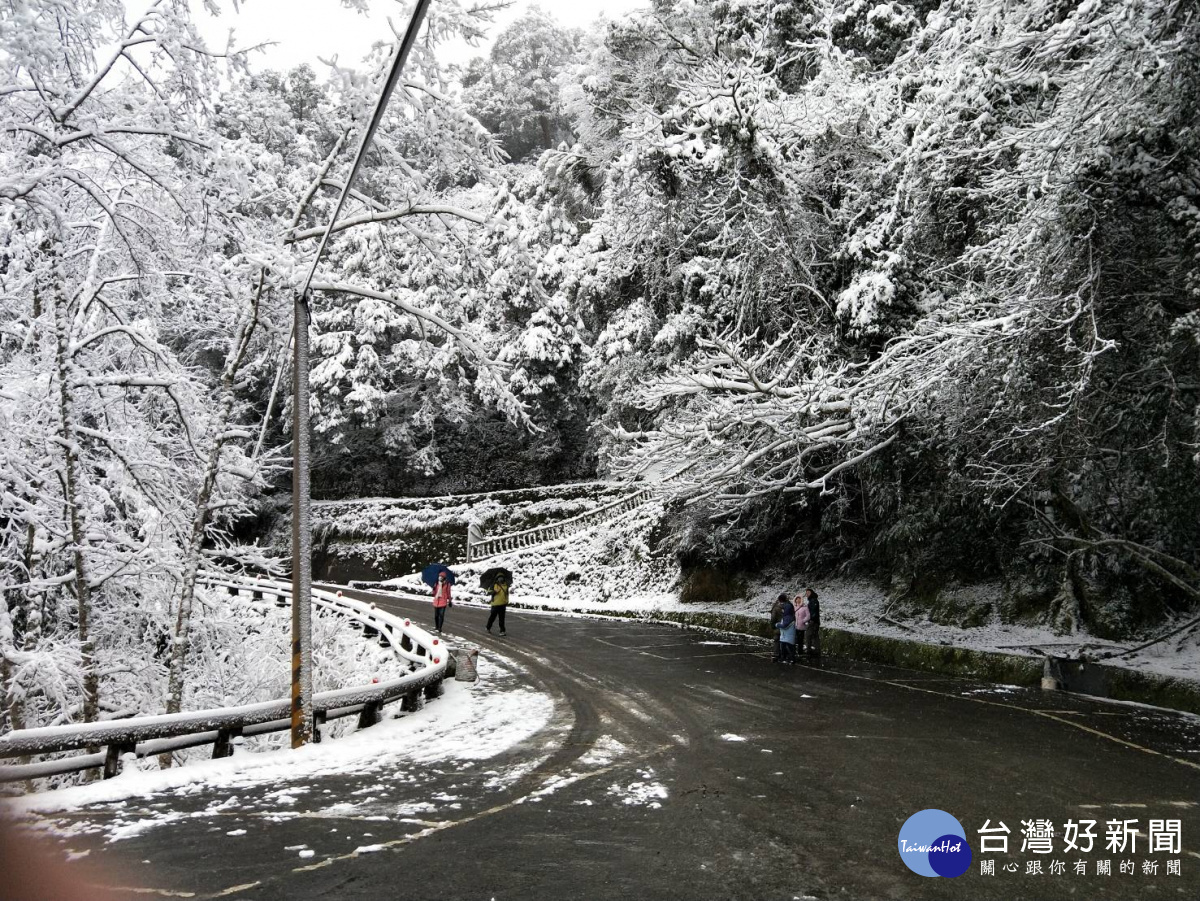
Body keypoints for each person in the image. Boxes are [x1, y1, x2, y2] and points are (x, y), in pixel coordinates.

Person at [774, 595, 797, 664]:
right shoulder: (789, 616)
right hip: (785, 636)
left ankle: (790, 659)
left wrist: (777, 625)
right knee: (785, 648)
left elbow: (784, 625)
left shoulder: (788, 617)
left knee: (789, 648)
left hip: (787, 636)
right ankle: (785, 658)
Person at [803, 587, 821, 658]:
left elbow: (813, 612)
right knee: (814, 635)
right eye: (806, 593)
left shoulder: (813, 601)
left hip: (813, 621)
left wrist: (811, 620)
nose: (807, 594)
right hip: (814, 621)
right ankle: (815, 650)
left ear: (811, 593)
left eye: (808, 593)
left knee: (809, 635)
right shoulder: (812, 601)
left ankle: (809, 650)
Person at [769, 593, 787, 661]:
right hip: (786, 626)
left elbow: (773, 618)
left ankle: (776, 654)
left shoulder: (776, 608)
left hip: (778, 626)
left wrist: (772, 626)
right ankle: (784, 654)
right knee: (785, 640)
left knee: (777, 640)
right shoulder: (789, 606)